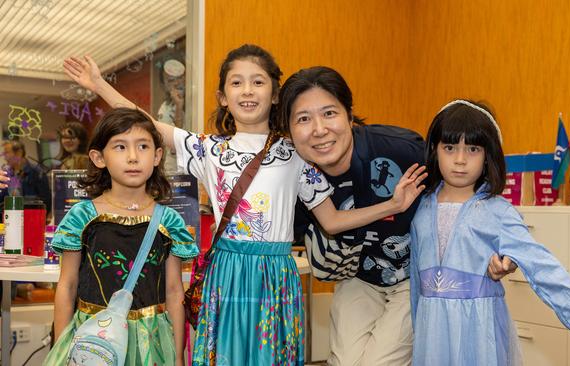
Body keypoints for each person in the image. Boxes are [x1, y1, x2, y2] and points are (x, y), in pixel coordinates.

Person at [63, 45, 426, 365]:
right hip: (227, 271)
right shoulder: (209, 150)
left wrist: (391, 204)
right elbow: (148, 125)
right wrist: (99, 86)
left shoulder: (297, 154)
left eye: (258, 81)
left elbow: (330, 221)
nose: (247, 90)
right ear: (223, 96)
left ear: (274, 95)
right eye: (237, 82)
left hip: (275, 275)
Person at [278, 66, 516, 366]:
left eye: (329, 113)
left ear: (349, 116)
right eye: (303, 119)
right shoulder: (291, 176)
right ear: (289, 130)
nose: (319, 129)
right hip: (358, 278)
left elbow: (466, 183)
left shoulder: (402, 151)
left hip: (415, 274)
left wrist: (497, 244)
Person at [409, 99, 570, 366]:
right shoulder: (420, 208)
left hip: (479, 337)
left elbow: (546, 271)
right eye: (450, 147)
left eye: (473, 148)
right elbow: (415, 285)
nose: (460, 159)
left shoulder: (498, 212)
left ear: (489, 155)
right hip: (432, 339)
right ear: (434, 150)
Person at [43, 108, 198, 365]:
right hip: (94, 342)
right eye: (120, 147)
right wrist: (62, 347)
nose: (133, 157)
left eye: (143, 146)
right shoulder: (82, 217)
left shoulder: (169, 221)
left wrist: (178, 355)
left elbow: (173, 291)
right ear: (98, 157)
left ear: (158, 155)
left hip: (152, 344)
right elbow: (67, 286)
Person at [0, 139, 52, 213]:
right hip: (9, 219)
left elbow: (46, 201)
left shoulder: (37, 173)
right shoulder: (5, 174)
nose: (5, 157)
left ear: (19, 153)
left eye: (7, 153)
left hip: (31, 218)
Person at [157, 58, 186, 174]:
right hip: (174, 170)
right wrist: (179, 107)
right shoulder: (165, 108)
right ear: (164, 85)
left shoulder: (196, 102)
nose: (176, 83)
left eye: (179, 77)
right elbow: (174, 141)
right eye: (170, 80)